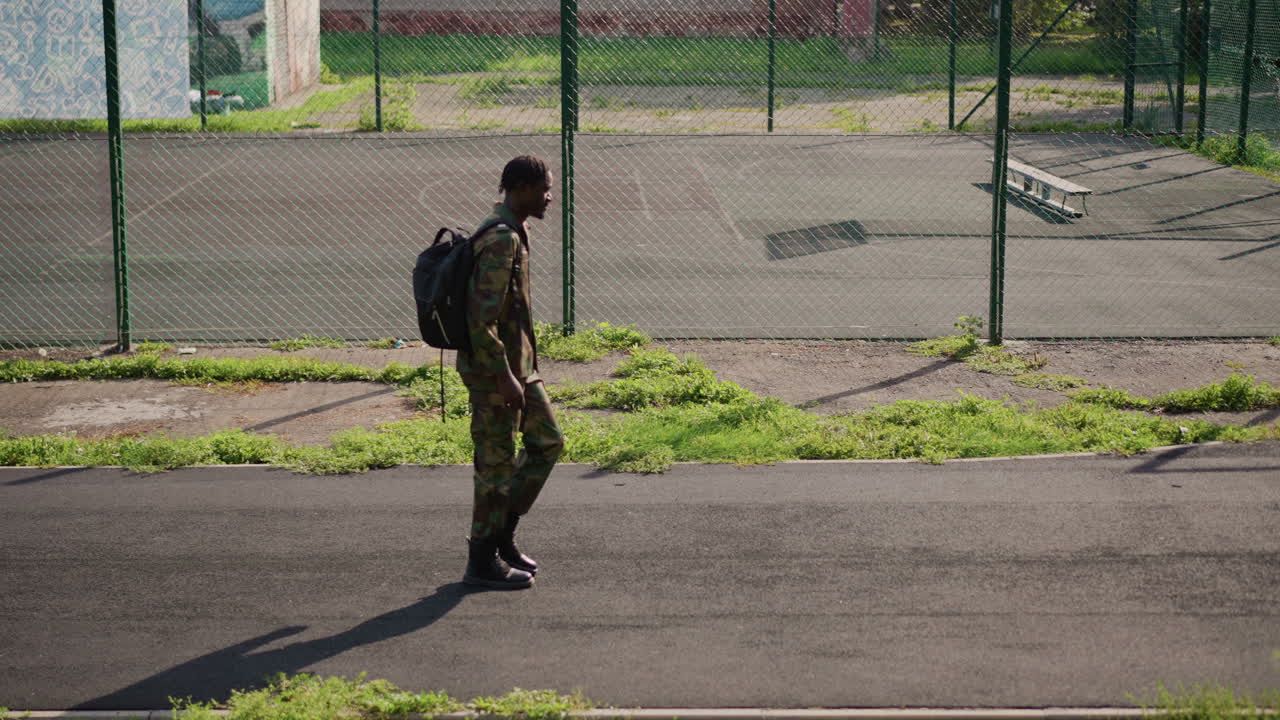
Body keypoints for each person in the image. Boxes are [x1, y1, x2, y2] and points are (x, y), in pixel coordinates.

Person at [458, 155, 564, 590]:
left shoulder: (518, 231)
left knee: (546, 443)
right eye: (544, 189)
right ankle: (481, 561)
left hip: (521, 369)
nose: (549, 197)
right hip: (495, 372)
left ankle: (503, 535)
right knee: (495, 468)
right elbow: (478, 320)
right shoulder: (501, 239)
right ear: (520, 188)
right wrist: (502, 374)